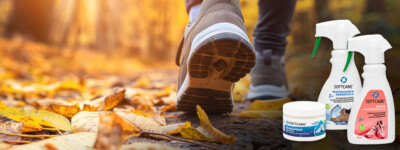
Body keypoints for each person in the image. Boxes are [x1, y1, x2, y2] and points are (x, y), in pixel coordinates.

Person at [176, 0, 296, 113]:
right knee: (270, 43)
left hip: (204, 19)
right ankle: (269, 59)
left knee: (204, 14)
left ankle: (202, 19)